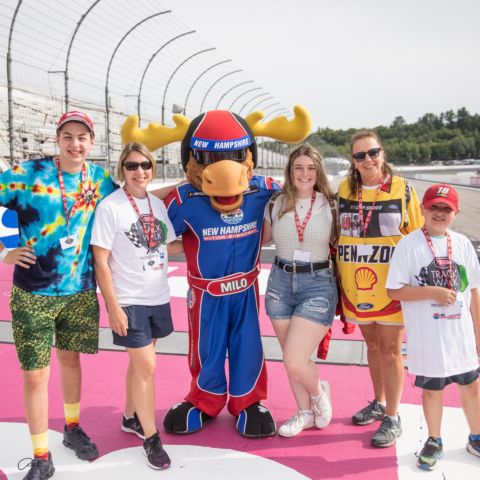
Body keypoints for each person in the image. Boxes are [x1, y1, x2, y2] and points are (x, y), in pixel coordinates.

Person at [0, 111, 116, 479]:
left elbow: (130, 202)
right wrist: (4, 249)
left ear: (92, 142)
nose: (75, 143)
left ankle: (72, 428)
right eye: (68, 136)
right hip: (32, 291)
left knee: (70, 362)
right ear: (57, 139)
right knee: (35, 376)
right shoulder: (27, 173)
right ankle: (40, 455)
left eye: (82, 137)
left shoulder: (99, 179)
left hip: (80, 291)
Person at [91, 142, 182, 470]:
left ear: (152, 168)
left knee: (139, 365)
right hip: (129, 301)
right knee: (147, 368)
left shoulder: (157, 205)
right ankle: (150, 436)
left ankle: (130, 417)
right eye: (131, 166)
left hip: (158, 295)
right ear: (122, 169)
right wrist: (113, 307)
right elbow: (100, 261)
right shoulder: (110, 207)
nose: (139, 171)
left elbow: (169, 246)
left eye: (145, 165)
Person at [336, 129, 423, 447]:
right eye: (360, 156)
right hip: (356, 285)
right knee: (372, 348)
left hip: (391, 286)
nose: (367, 160)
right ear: (353, 162)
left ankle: (393, 416)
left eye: (373, 153)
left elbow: (416, 237)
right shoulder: (345, 188)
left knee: (390, 350)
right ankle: (379, 401)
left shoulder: (402, 189)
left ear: (382, 154)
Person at [386, 184, 480, 470]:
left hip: (459, 336)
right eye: (433, 207)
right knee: (432, 390)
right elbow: (394, 291)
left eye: (446, 209)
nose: (439, 213)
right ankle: (434, 439)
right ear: (423, 209)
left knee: (472, 385)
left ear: (455, 213)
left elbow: (474, 291)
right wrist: (432, 292)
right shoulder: (409, 244)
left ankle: (476, 436)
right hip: (428, 338)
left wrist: (478, 333)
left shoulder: (463, 244)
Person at [263, 143, 337, 437]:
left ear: (318, 172)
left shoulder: (332, 204)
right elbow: (259, 240)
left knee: (294, 359)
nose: (304, 173)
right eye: (298, 167)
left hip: (317, 284)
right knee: (290, 358)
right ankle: (304, 412)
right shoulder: (275, 203)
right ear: (290, 171)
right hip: (280, 283)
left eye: (310, 167)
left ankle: (318, 394)